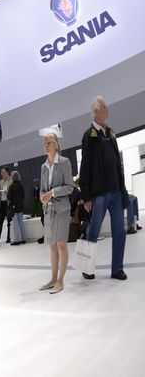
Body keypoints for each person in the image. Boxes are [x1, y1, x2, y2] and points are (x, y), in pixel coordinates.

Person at [79, 96, 129, 281]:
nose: (107, 109)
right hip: (99, 194)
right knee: (93, 231)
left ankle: (117, 269)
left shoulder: (110, 133)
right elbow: (85, 167)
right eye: (104, 107)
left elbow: (116, 162)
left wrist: (123, 191)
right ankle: (87, 268)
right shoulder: (89, 135)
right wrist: (86, 196)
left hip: (116, 192)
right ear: (96, 112)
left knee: (120, 231)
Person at [38, 133, 73, 293]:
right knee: (52, 246)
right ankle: (53, 279)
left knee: (61, 244)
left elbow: (69, 187)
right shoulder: (43, 167)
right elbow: (42, 190)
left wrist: (52, 192)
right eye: (45, 143)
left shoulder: (64, 162)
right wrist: (43, 198)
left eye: (49, 142)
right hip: (49, 210)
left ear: (56, 145)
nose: (46, 145)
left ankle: (60, 280)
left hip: (62, 209)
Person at [0, 167, 12, 244]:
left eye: (3, 172)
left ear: (7, 172)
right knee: (0, 222)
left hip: (8, 203)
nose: (2, 174)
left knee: (9, 222)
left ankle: (9, 237)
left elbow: (13, 192)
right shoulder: (1, 181)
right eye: (1, 173)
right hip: (2, 203)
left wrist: (8, 192)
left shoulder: (11, 181)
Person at [8, 171, 26, 245]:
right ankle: (23, 239)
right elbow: (23, 196)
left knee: (15, 225)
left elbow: (9, 197)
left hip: (14, 207)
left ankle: (17, 240)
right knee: (21, 223)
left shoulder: (12, 186)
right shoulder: (21, 185)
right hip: (20, 206)